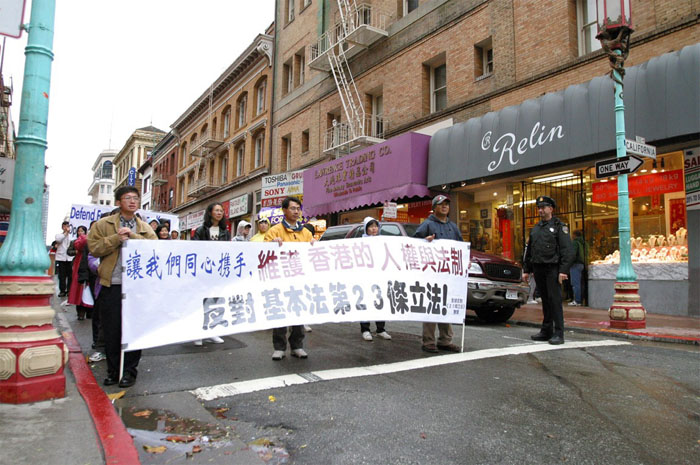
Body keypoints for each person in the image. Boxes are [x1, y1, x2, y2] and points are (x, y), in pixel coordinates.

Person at [87, 186, 157, 388]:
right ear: (118, 202)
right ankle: (113, 371)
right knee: (112, 330)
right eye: (128, 198)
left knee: (134, 330)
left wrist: (132, 237)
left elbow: (154, 248)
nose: (133, 201)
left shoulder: (145, 227)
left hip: (137, 287)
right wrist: (116, 239)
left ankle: (129, 372)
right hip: (113, 284)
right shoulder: (103, 224)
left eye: (135, 198)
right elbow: (94, 248)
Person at [265, 196, 314, 360]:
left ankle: (297, 346)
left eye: (298, 209)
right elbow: (264, 252)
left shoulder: (306, 232)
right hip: (281, 278)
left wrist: (314, 244)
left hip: (299, 278)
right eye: (293, 208)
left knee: (298, 312)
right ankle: (279, 347)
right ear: (284, 210)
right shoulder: (275, 231)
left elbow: (313, 253)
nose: (296, 211)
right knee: (281, 312)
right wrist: (272, 243)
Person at [522, 196, 575, 345]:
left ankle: (559, 332)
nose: (540, 210)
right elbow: (530, 250)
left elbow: (567, 250)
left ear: (551, 209)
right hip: (538, 267)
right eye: (539, 208)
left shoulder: (559, 227)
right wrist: (526, 269)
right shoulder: (536, 228)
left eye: (543, 207)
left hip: (553, 268)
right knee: (545, 300)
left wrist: (563, 270)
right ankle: (546, 330)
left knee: (555, 300)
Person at [413, 194, 462, 354]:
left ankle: (445, 340)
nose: (445, 206)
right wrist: (424, 241)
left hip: (448, 275)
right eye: (441, 204)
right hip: (431, 274)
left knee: (445, 305)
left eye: (447, 204)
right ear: (434, 208)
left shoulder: (453, 227)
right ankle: (428, 341)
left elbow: (461, 248)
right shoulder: (427, 225)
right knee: (431, 306)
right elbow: (413, 245)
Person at [192, 202, 230, 346]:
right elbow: (194, 249)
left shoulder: (225, 232)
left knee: (216, 300)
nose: (219, 213)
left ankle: (212, 331)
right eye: (216, 210)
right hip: (204, 271)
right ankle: (198, 333)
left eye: (221, 211)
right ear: (210, 213)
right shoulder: (201, 230)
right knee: (201, 301)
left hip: (218, 271)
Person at [359, 217, 391, 342]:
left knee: (380, 301)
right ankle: (365, 329)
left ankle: (380, 329)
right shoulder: (360, 242)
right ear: (366, 228)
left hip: (379, 277)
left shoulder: (382, 241)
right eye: (371, 226)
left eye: (376, 226)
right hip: (365, 277)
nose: (374, 229)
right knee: (365, 302)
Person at [67, 225, 92, 320]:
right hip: (80, 265)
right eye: (79, 231)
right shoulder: (77, 241)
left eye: (82, 231)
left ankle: (90, 311)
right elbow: (70, 251)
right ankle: (81, 312)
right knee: (80, 288)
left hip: (92, 265)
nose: (80, 232)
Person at [569, 230, 587, 306]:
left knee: (575, 283)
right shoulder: (584, 243)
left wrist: (568, 263)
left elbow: (572, 254)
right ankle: (581, 299)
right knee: (580, 283)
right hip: (582, 264)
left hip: (575, 264)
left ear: (574, 235)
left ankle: (577, 300)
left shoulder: (575, 243)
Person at [55, 221, 73, 297]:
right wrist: (65, 233)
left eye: (67, 226)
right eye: (64, 226)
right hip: (61, 258)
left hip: (70, 258)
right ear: (62, 227)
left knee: (70, 276)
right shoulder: (59, 235)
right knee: (62, 276)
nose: (66, 228)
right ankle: (62, 290)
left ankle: (69, 290)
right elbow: (59, 240)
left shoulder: (72, 236)